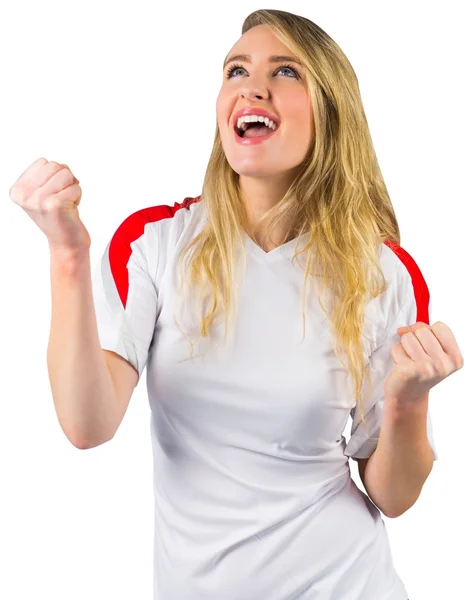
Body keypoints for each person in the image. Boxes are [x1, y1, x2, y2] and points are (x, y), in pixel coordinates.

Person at [13, 8, 464, 600]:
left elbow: (394, 495)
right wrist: (68, 256)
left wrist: (409, 401)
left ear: (330, 113)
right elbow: (87, 423)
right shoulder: (156, 243)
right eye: (236, 71)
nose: (253, 86)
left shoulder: (381, 273)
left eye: (285, 72)